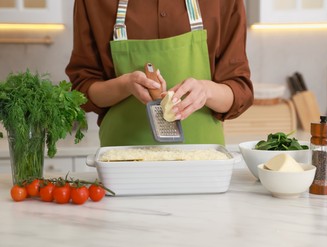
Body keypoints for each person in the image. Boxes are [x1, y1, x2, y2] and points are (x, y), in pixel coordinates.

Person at [66, 0, 253, 146]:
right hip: (124, 162)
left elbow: (239, 89)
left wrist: (206, 91)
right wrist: (124, 85)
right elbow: (82, 89)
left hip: (202, 162)